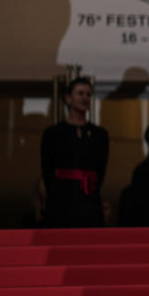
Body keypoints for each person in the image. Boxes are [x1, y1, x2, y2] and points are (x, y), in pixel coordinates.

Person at [41, 77, 110, 228]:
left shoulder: (100, 134)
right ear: (68, 98)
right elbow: (47, 170)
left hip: (89, 200)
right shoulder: (53, 133)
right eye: (80, 93)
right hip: (60, 201)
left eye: (88, 94)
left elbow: (100, 169)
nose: (85, 98)